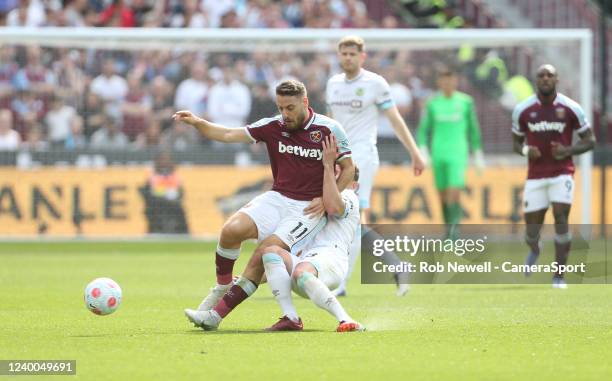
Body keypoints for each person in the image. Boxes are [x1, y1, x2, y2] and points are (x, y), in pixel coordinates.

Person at [173, 79, 355, 316]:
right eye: (280, 107)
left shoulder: (329, 129)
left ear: (305, 102)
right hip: (277, 198)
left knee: (264, 253)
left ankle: (220, 314)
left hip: (306, 209)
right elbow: (229, 133)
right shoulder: (273, 126)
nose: (285, 114)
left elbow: (348, 168)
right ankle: (223, 285)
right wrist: (199, 123)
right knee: (231, 230)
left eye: (290, 108)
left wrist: (327, 198)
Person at [185, 135, 363, 332]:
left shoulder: (350, 197)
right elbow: (279, 264)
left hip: (330, 263)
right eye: (336, 171)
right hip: (305, 265)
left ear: (354, 184)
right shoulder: (312, 204)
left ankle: (346, 320)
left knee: (301, 272)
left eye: (343, 173)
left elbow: (334, 206)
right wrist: (247, 280)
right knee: (269, 252)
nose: (337, 174)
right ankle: (290, 318)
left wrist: (328, 166)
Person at [326, 35, 425, 297]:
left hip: (363, 157)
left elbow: (395, 120)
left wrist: (415, 153)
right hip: (338, 159)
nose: (348, 57)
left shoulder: (375, 83)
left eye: (352, 53)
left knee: (352, 216)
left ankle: (341, 283)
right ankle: (396, 265)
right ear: (339, 56)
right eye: (343, 53)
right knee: (341, 216)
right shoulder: (333, 84)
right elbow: (331, 124)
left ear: (362, 56)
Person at [511, 64, 594, 289]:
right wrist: (528, 151)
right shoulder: (523, 110)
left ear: (557, 79)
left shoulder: (571, 108)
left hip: (562, 173)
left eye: (550, 75)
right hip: (535, 176)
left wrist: (567, 151)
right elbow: (516, 143)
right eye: (541, 75)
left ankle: (559, 276)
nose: (545, 78)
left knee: (560, 219)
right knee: (531, 230)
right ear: (536, 80)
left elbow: (590, 140)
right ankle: (535, 248)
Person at [417, 68, 484, 240]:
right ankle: (448, 231)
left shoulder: (465, 102)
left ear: (456, 81)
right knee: (442, 194)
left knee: (454, 192)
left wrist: (477, 152)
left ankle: (455, 235)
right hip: (438, 153)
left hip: (457, 153)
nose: (447, 83)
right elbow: (423, 130)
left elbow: (473, 129)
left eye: (451, 79)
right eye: (444, 79)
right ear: (439, 82)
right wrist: (423, 150)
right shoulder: (432, 103)